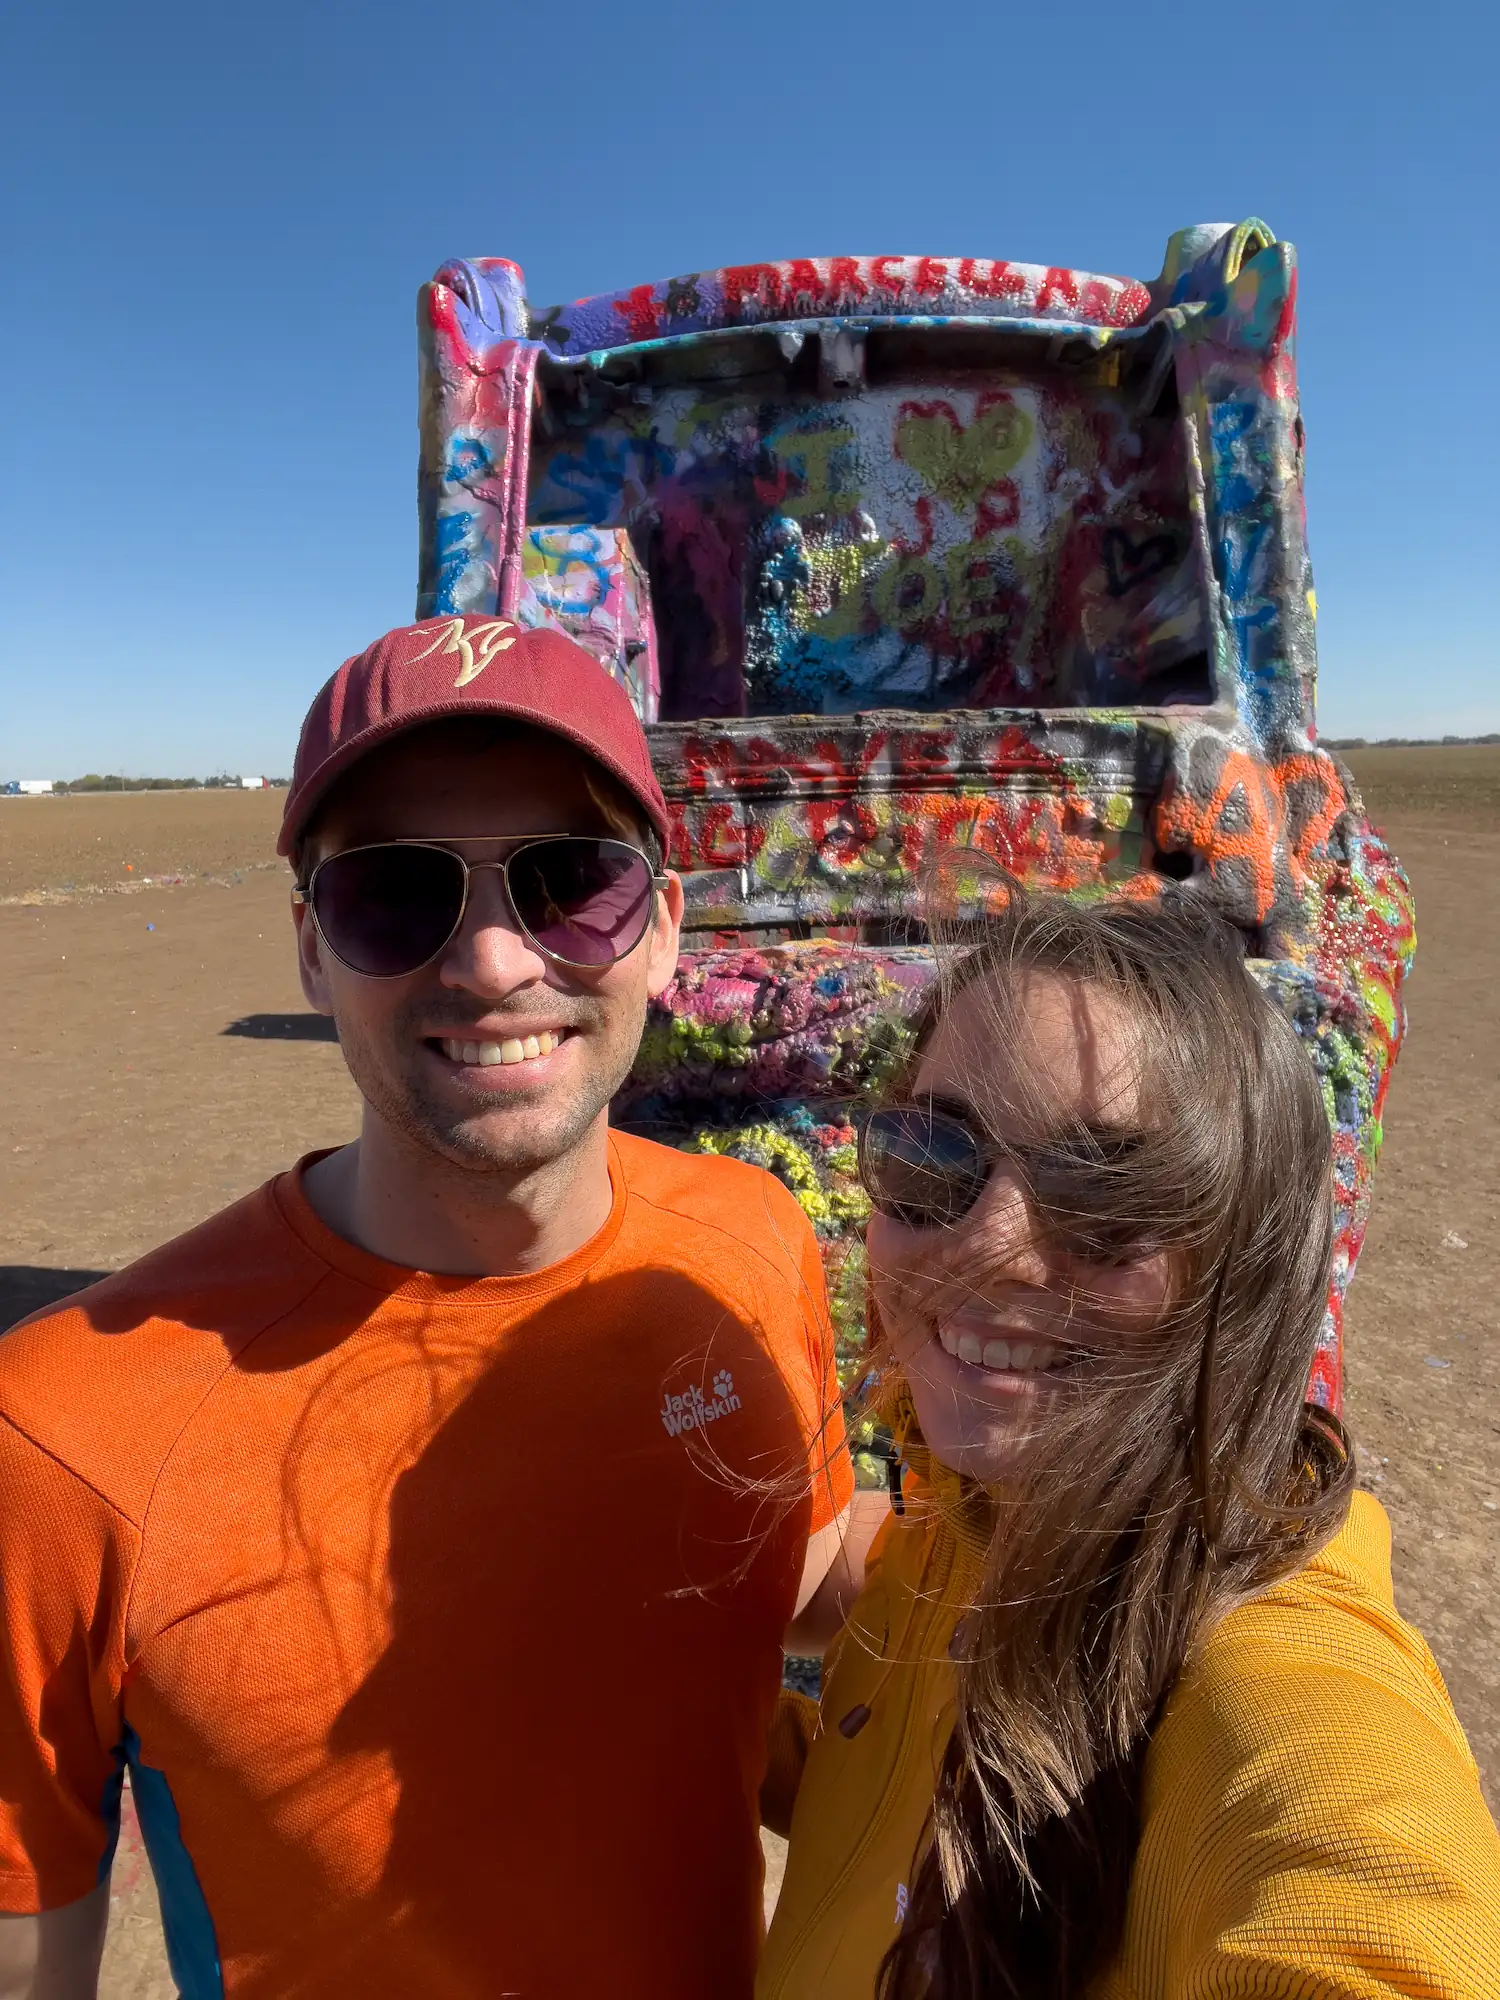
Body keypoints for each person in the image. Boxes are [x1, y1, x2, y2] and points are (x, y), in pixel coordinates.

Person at [0, 615, 857, 2000]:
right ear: (309, 953)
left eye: (571, 881)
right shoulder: (63, 1440)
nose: (497, 963)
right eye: (397, 894)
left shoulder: (746, 1245)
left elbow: (801, 1574)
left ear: (664, 932)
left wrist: (1161, 1571)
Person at [758, 886, 1500, 1999]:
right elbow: (889, 1791)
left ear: (1241, 1265)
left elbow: (1364, 1892)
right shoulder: (970, 1523)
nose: (987, 1244)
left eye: (1109, 1191)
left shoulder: (1271, 1683)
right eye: (932, 1157)